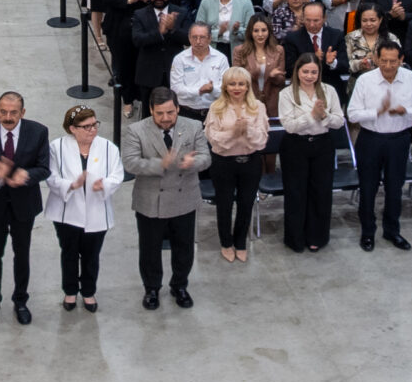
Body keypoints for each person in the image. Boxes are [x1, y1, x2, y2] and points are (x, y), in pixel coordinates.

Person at [0, 90, 50, 325]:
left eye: (13, 112)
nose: (8, 117)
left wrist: (23, 175)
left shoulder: (38, 132)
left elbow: (44, 168)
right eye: (3, 111)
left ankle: (21, 301)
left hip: (23, 207)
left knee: (21, 254)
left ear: (22, 112)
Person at [124, 89, 204, 309]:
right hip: (151, 200)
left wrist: (192, 163)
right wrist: (161, 164)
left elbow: (206, 157)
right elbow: (130, 163)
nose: (166, 118)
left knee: (184, 247)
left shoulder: (194, 127)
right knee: (149, 248)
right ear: (151, 110)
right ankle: (151, 288)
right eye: (160, 113)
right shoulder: (136, 130)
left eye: (170, 112)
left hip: (184, 197)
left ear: (178, 108)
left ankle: (180, 285)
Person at [345, 41, 412, 250]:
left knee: (394, 188)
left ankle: (392, 231)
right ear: (377, 59)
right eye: (384, 61)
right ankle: (368, 232)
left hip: (399, 140)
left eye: (393, 61)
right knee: (368, 188)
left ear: (401, 60)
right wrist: (375, 112)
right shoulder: (365, 81)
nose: (388, 66)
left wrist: (404, 111)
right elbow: (352, 114)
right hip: (371, 139)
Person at [44, 104, 121, 312]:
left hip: (97, 212)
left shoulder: (107, 147)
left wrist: (103, 185)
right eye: (86, 126)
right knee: (68, 253)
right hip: (66, 212)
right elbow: (50, 176)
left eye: (95, 124)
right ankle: (70, 291)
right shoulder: (57, 147)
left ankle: (88, 291)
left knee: (91, 255)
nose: (93, 130)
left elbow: (117, 174)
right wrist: (71, 185)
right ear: (72, 128)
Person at [275, 55, 343, 252]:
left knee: (320, 193)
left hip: (322, 145)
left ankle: (317, 237)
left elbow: (339, 122)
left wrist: (325, 116)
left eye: (314, 72)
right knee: (296, 193)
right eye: (305, 71)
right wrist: (311, 116)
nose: (309, 76)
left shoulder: (329, 91)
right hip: (295, 146)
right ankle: (295, 238)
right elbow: (289, 126)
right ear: (297, 72)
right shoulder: (287, 93)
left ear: (319, 73)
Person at [201, 66, 269, 262]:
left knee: (246, 204)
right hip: (224, 163)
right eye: (232, 84)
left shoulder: (258, 107)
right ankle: (226, 243)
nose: (237, 88)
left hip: (250, 162)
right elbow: (213, 140)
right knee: (224, 204)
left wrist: (246, 131)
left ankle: (240, 243)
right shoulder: (216, 108)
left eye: (241, 84)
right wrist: (234, 133)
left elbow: (262, 141)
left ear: (248, 86)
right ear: (225, 87)